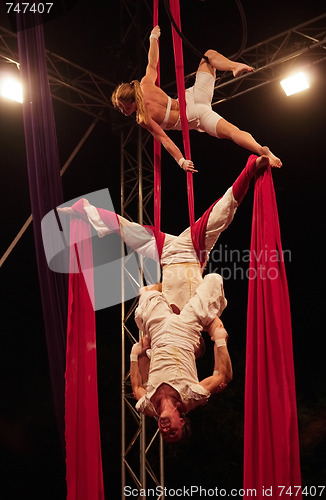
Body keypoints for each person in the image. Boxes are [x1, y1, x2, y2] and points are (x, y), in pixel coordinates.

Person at [58, 154, 271, 311]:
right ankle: (251, 169)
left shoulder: (167, 322)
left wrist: (150, 294)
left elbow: (153, 292)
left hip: (166, 255)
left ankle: (85, 209)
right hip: (192, 250)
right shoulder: (203, 318)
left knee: (125, 229)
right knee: (223, 210)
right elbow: (215, 288)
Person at [111, 26, 282, 172]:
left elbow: (164, 139)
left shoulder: (143, 118)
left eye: (122, 106)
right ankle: (234, 66)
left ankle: (261, 150)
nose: (122, 110)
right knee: (208, 56)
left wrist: (181, 161)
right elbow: (152, 62)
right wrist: (153, 37)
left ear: (130, 100)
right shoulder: (145, 84)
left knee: (232, 132)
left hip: (194, 115)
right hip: (192, 96)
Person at [131, 273, 233, 442]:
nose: (166, 430)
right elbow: (223, 376)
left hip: (158, 331)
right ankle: (188, 276)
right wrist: (220, 340)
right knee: (214, 280)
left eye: (164, 434)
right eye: (173, 432)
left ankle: (172, 282)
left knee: (146, 294)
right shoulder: (192, 398)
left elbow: (136, 388)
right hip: (185, 328)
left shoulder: (148, 406)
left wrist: (135, 355)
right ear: (181, 421)